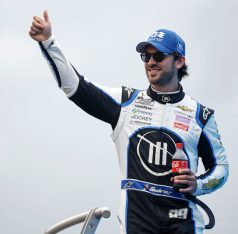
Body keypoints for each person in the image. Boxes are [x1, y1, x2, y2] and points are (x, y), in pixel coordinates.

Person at [29, 10, 229, 234]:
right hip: (137, 215)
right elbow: (74, 86)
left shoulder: (201, 115)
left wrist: (198, 184)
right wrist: (48, 42)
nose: (151, 62)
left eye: (159, 56)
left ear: (179, 61)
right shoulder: (126, 102)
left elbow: (221, 168)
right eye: (147, 56)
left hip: (182, 219)